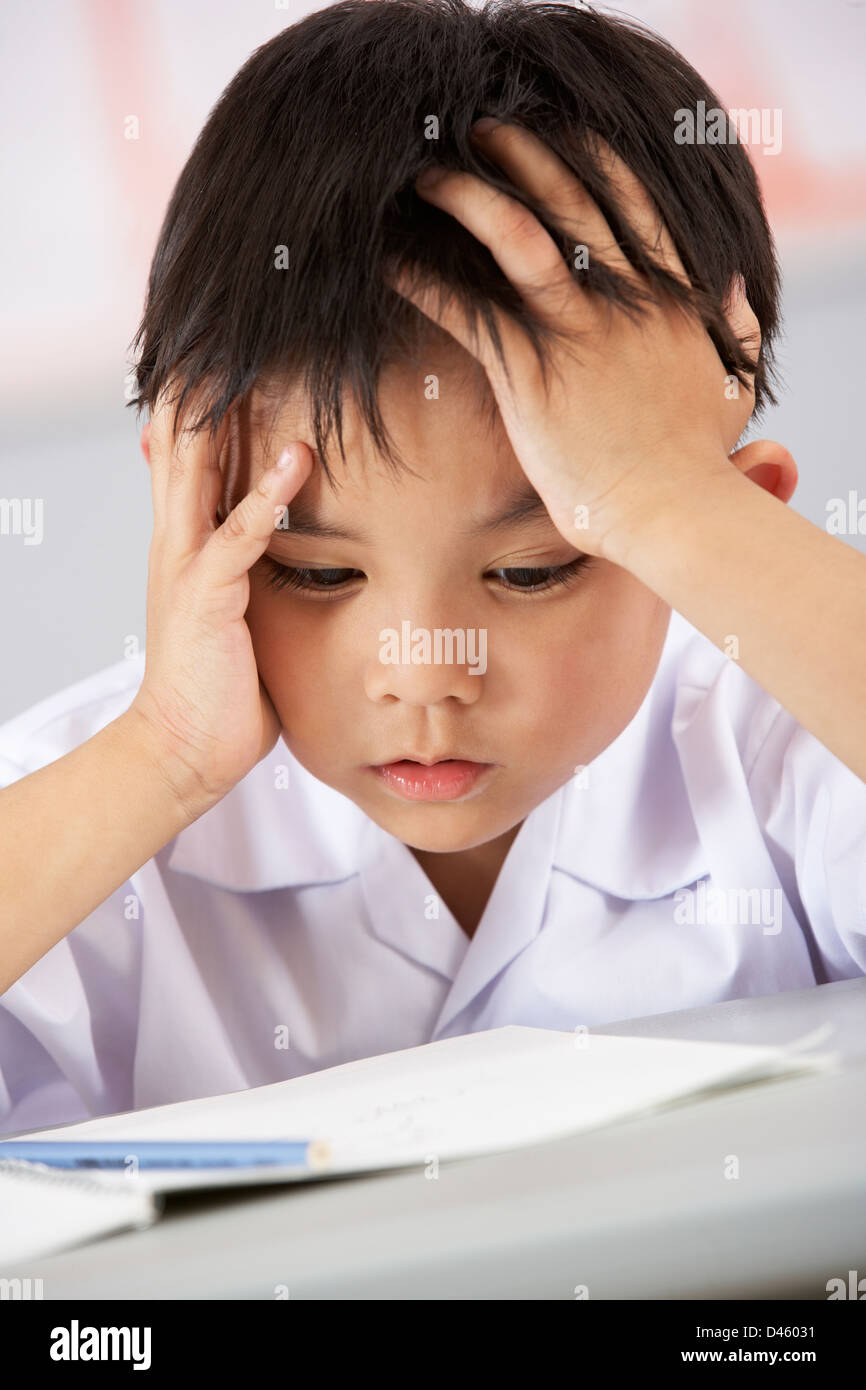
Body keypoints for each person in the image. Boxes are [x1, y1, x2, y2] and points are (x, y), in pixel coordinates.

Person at [1, 0, 864, 1136]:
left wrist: (666, 496)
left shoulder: (779, 730)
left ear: (714, 533)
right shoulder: (84, 804)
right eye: (313, 574)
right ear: (192, 508)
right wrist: (162, 754)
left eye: (531, 569)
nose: (422, 672)